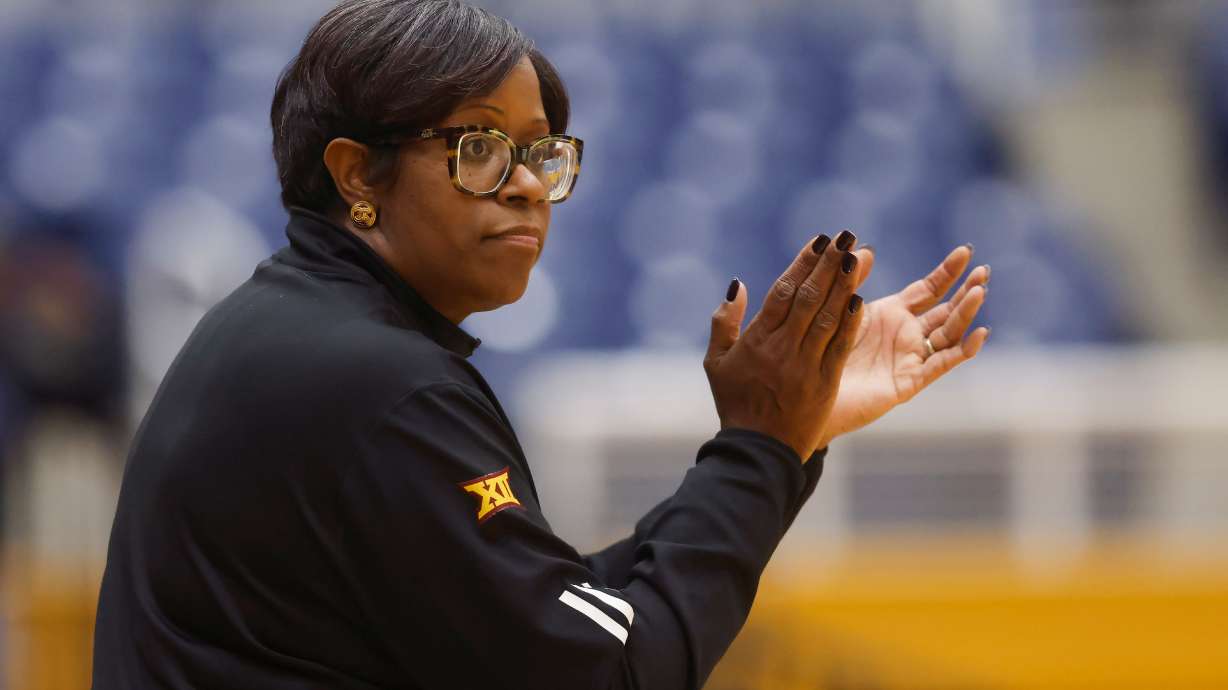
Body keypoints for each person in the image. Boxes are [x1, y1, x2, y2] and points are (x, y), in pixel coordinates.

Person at [91, 1, 990, 688]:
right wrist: (759, 449)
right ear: (358, 174)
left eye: (541, 153)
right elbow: (611, 673)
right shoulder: (378, 385)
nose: (526, 185)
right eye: (480, 148)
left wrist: (781, 441)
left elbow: (547, 617)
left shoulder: (297, 332)